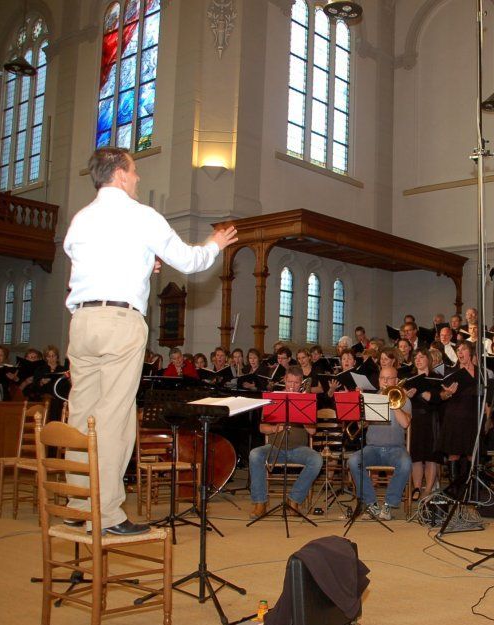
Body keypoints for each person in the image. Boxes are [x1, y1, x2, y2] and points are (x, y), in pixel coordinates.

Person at [62, 146, 237, 535]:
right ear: (121, 175)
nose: (138, 178)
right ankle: (106, 515)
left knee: (81, 413)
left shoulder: (82, 218)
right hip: (120, 321)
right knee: (115, 418)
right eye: (135, 171)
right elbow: (190, 261)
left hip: (82, 321)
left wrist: (142, 261)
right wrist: (215, 245)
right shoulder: (141, 216)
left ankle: (78, 502)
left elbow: (88, 258)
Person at [248, 367, 322, 519]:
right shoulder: (273, 399)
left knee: (317, 459)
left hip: (299, 449)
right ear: (284, 380)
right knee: (255, 454)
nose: (292, 386)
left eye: (296, 383)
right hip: (275, 447)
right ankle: (260, 502)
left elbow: (313, 432)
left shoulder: (307, 400)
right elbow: (262, 428)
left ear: (301, 383)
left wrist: (303, 416)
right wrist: (276, 428)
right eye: (289, 382)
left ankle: (294, 499)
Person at [348, 365, 412, 520]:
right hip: (372, 448)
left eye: (389, 378)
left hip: (396, 449)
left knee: (406, 463)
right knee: (353, 460)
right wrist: (359, 404)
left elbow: (405, 424)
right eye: (383, 378)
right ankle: (372, 504)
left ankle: (389, 505)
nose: (385, 381)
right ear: (378, 381)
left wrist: (394, 403)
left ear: (396, 381)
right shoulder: (372, 398)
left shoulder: (404, 398)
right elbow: (361, 426)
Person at [439, 342, 480, 495]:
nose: (460, 352)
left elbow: (486, 399)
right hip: (454, 417)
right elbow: (442, 395)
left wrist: (487, 418)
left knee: (471, 453)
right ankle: (455, 490)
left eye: (464, 349)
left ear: (471, 353)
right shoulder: (451, 372)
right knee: (454, 453)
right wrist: (448, 393)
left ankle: (470, 489)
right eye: (458, 350)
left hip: (472, 417)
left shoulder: (479, 372)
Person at [408, 348, 443, 500]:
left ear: (428, 359)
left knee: (430, 456)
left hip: (431, 419)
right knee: (416, 456)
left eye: (421, 356)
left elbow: (441, 400)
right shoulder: (410, 379)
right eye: (416, 357)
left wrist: (429, 396)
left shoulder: (437, 378)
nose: (418, 359)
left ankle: (428, 489)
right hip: (415, 419)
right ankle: (416, 487)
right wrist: (407, 396)